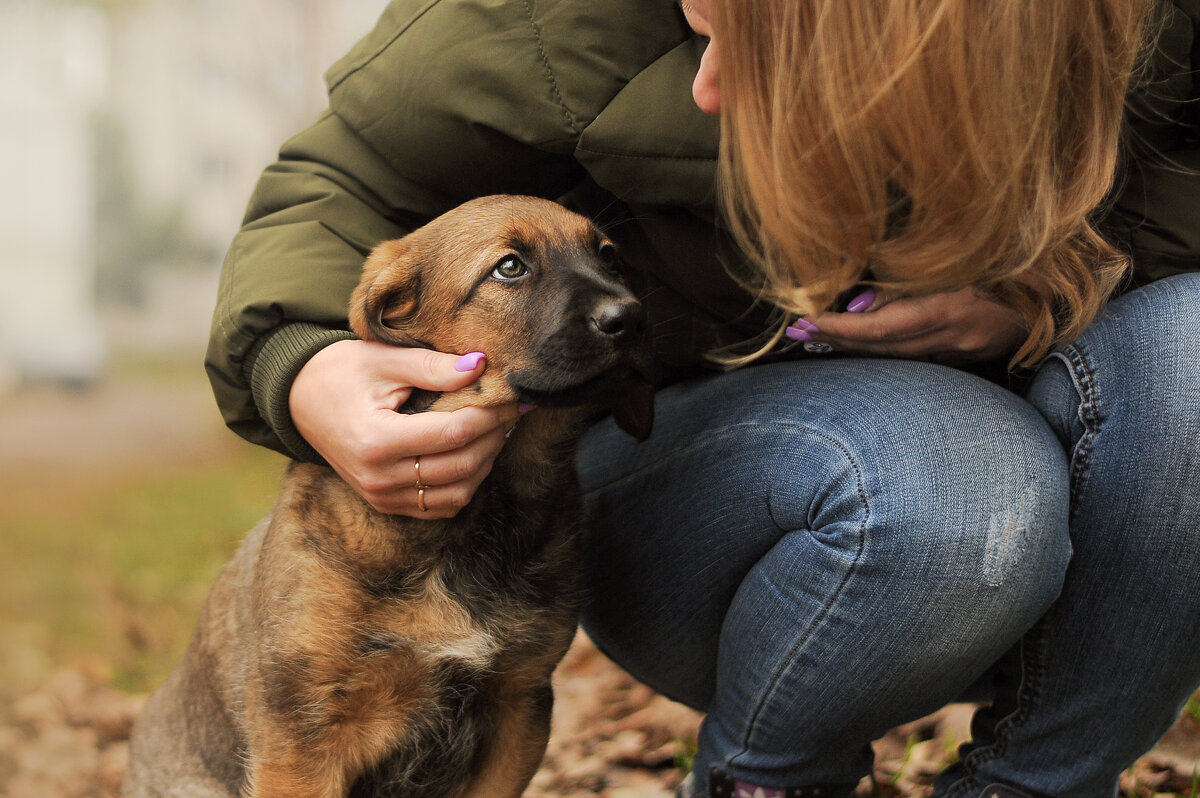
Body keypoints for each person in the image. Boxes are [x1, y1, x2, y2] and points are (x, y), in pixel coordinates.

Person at [204, 0, 1200, 795]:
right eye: (701, 19)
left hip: (1121, 519)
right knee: (958, 482)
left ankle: (1037, 783)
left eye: (766, 46)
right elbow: (337, 181)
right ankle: (770, 781)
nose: (709, 86)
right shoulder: (552, 21)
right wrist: (306, 364)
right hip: (733, 496)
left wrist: (1068, 266)